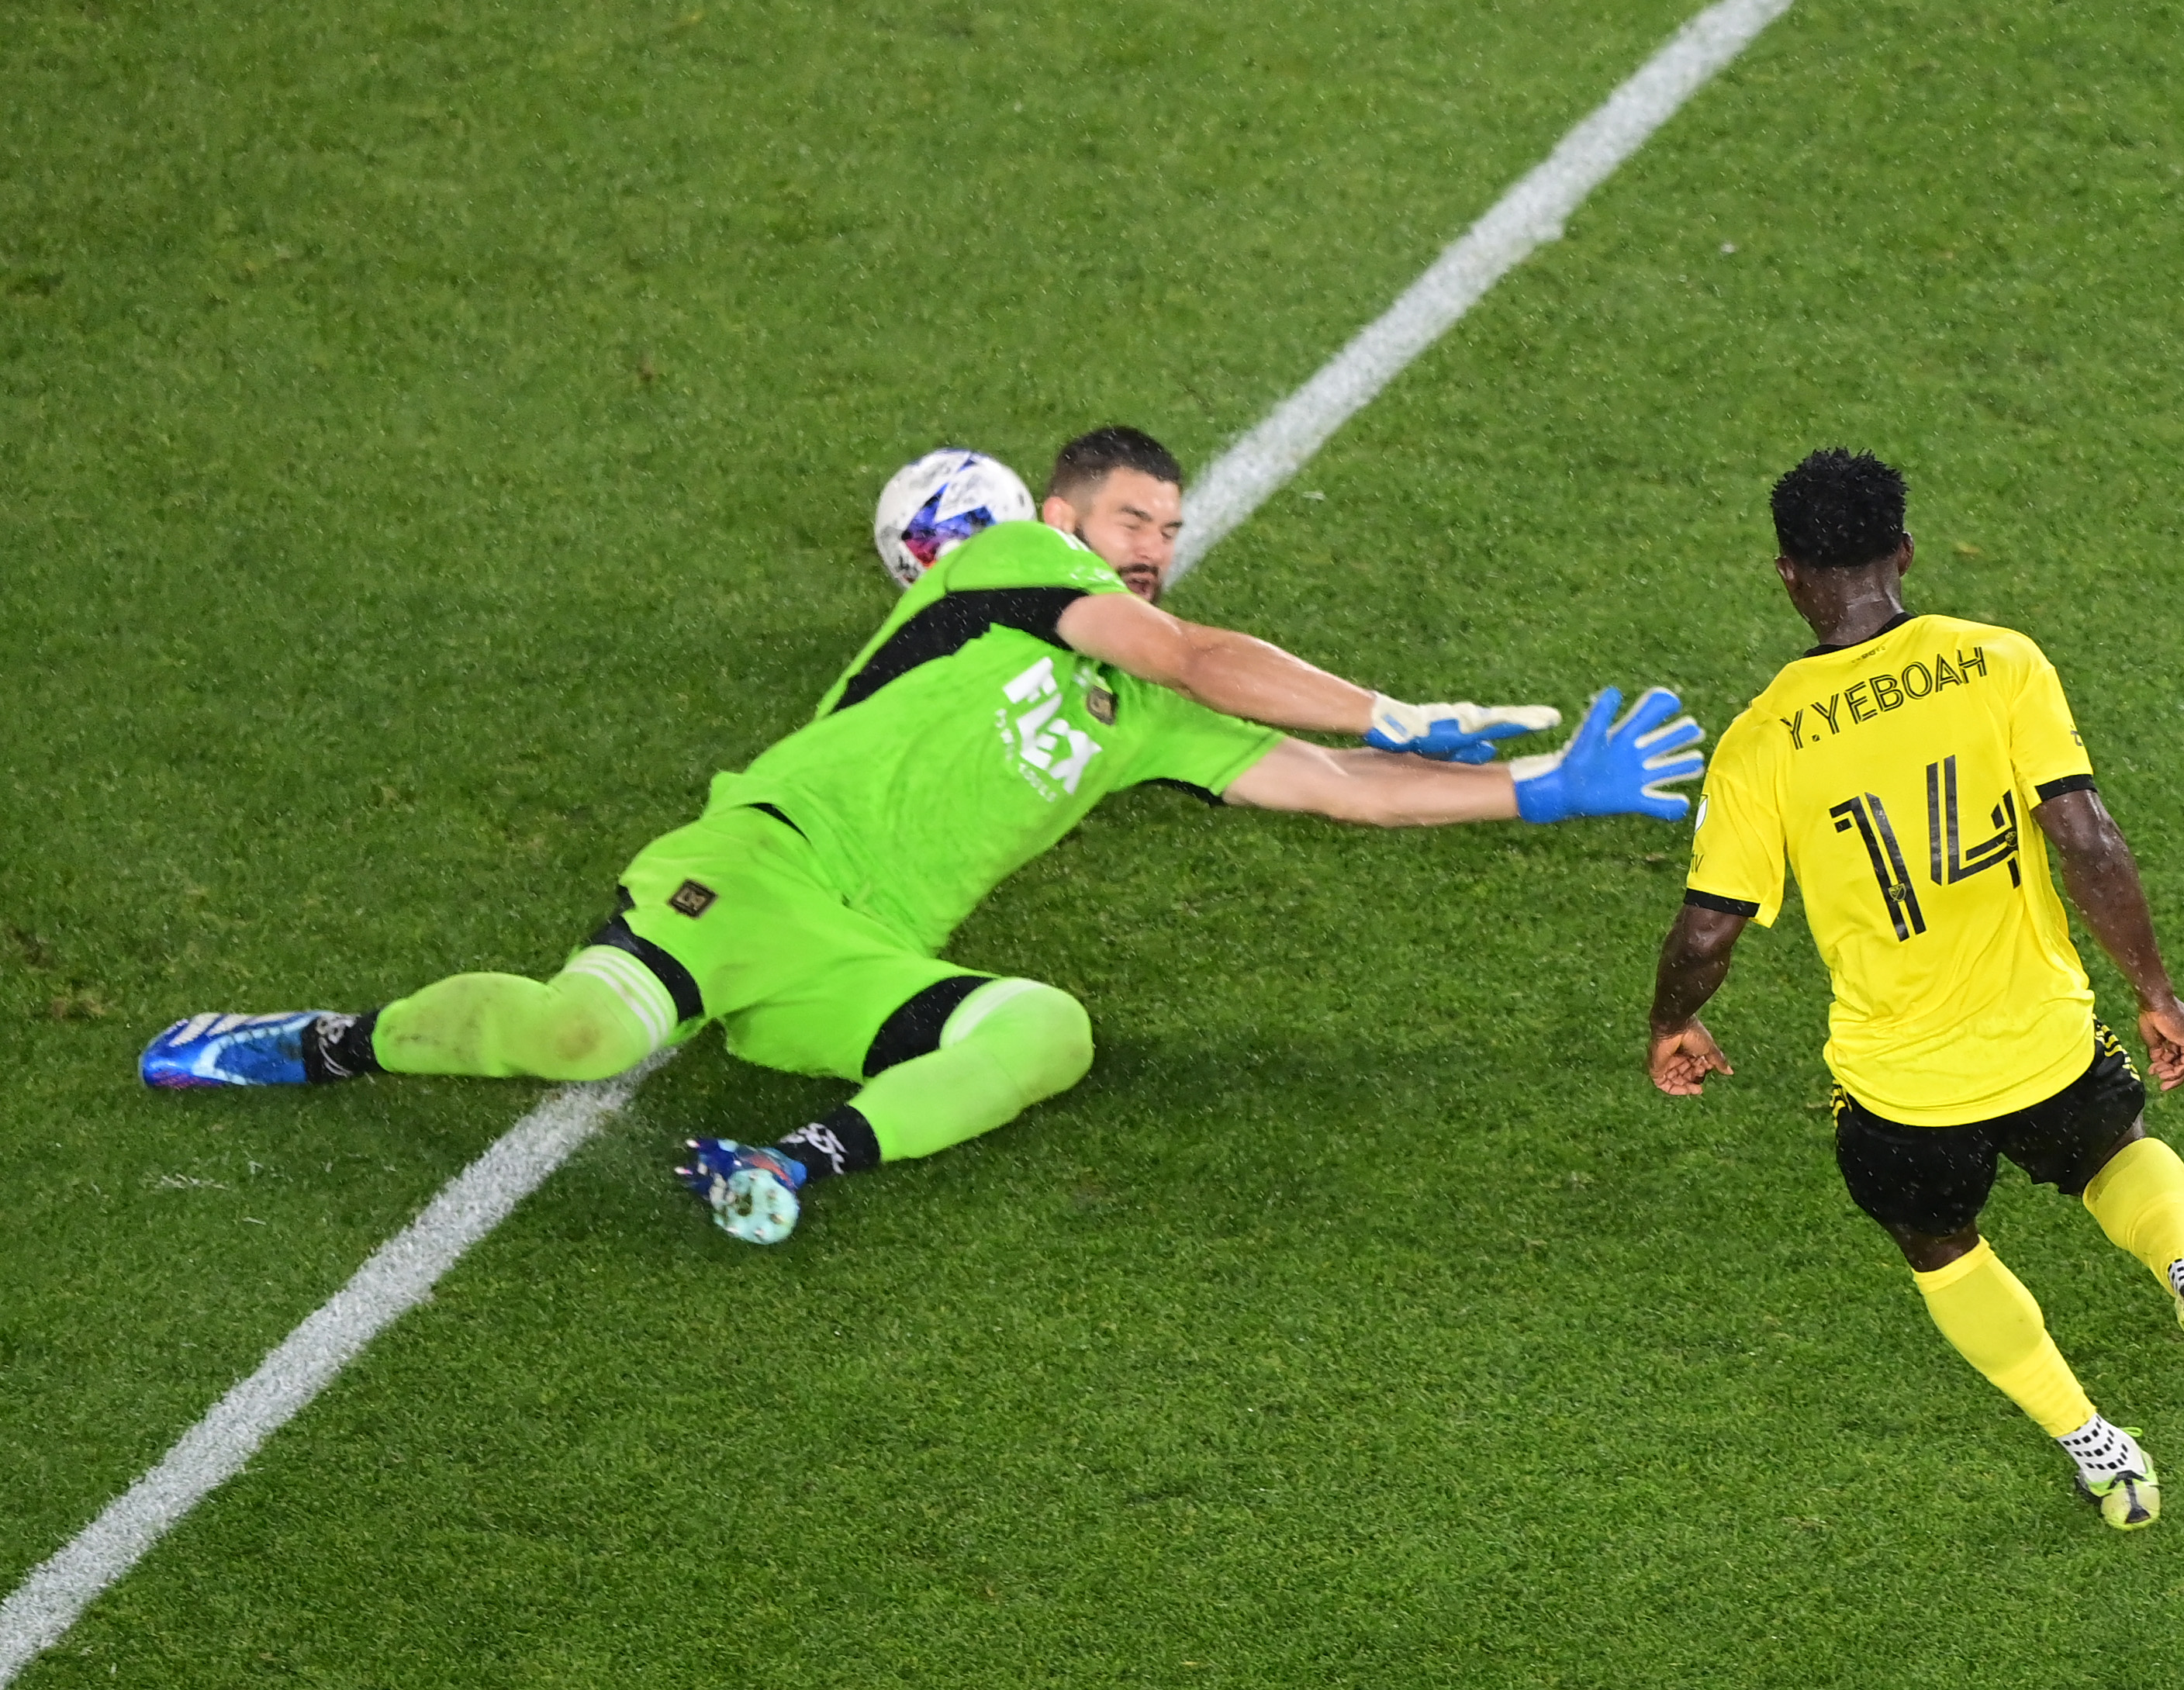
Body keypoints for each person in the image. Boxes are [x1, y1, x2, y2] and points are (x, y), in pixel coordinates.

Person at [144, 427, 1707, 1245]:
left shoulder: (1138, 721)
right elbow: (1203, 660)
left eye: (1173, 531)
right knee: (572, 1034)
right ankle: (325, 1044)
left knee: (1050, 1027)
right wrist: (1396, 706)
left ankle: (793, 1161)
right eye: (1136, 526)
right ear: (1062, 516)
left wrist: (1539, 789)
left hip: (858, 953)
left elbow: (1325, 788)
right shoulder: (1004, 570)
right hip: (752, 870)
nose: (1157, 553)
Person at [1643, 447, 2184, 1530]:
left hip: (1902, 1085)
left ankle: (2097, 1447)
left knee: (1940, 1245)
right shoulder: (1999, 663)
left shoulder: (1764, 738)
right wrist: (2155, 990)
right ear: (1903, 553)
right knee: (2116, 1157)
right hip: (2042, 1035)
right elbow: (2085, 836)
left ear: (1787, 575)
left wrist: (1676, 1020)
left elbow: (1708, 928)